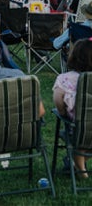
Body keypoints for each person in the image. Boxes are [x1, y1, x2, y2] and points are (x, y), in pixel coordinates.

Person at [53, 38, 92, 176]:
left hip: (80, 130)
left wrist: (63, 113)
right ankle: (78, 164)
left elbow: (58, 101)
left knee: (79, 139)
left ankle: (81, 171)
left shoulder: (65, 79)